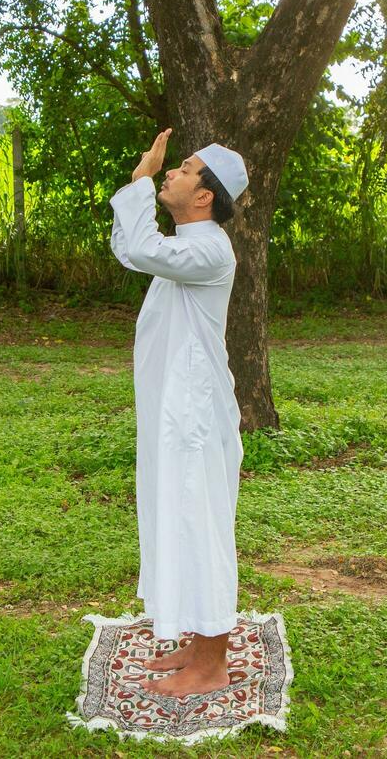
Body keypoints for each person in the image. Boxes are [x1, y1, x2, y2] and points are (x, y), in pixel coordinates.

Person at [107, 127, 249, 698]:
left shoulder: (208, 247)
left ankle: (213, 665)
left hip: (192, 415)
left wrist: (141, 179)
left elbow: (140, 249)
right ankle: (199, 640)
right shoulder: (187, 247)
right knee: (179, 517)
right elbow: (129, 248)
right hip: (176, 410)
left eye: (183, 169)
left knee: (199, 523)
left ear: (204, 195)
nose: (171, 172)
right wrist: (141, 190)